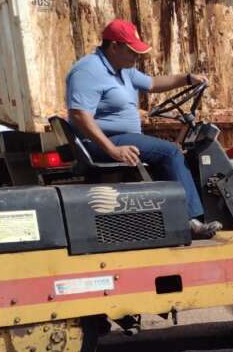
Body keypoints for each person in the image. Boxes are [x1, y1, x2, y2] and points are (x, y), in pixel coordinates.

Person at [65, 19, 218, 239]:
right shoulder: (88, 71)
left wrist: (186, 79)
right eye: (131, 51)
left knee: (175, 149)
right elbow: (79, 115)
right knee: (171, 151)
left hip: (124, 137)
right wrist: (112, 150)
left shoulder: (123, 69)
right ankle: (191, 221)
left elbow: (153, 84)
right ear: (114, 46)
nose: (136, 56)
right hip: (100, 142)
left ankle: (164, 216)